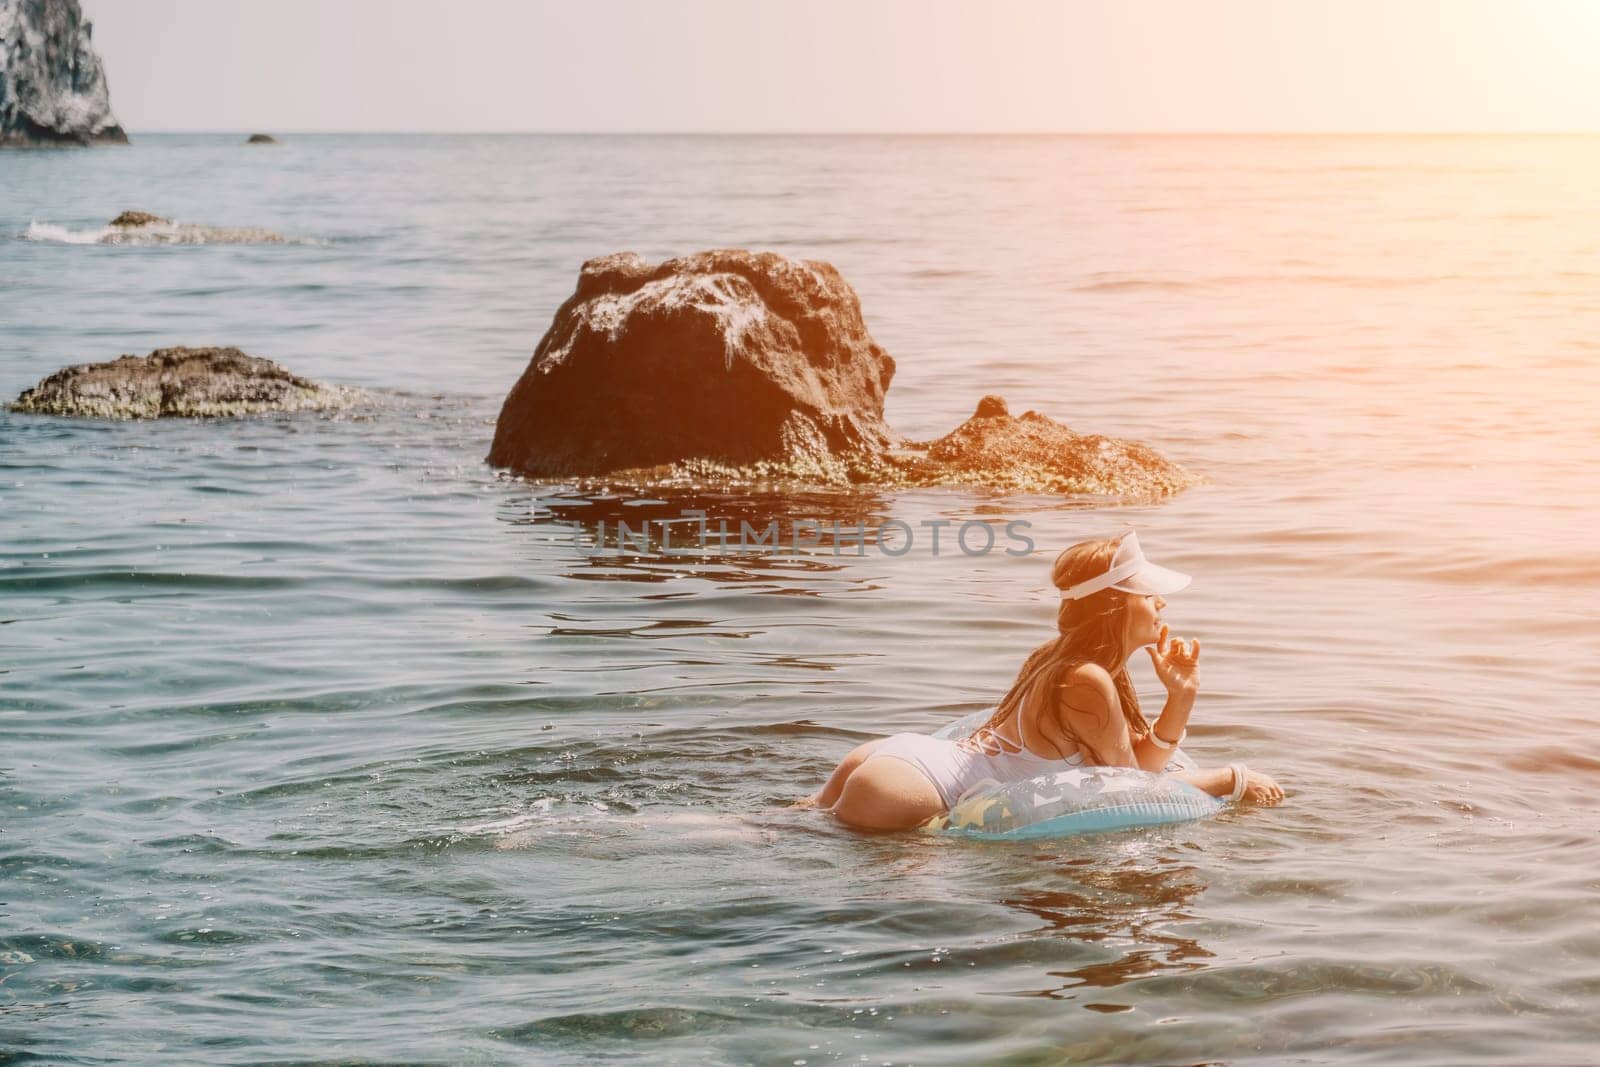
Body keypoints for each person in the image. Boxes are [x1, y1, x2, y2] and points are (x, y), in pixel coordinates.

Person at [802, 531, 1284, 830]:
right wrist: (1229, 779)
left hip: (899, 760)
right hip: (917, 789)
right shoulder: (1086, 679)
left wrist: (1182, 695)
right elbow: (1132, 786)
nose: (1161, 603)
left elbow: (1135, 767)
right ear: (1116, 605)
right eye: (1147, 593)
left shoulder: (1070, 662)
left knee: (765, 831)